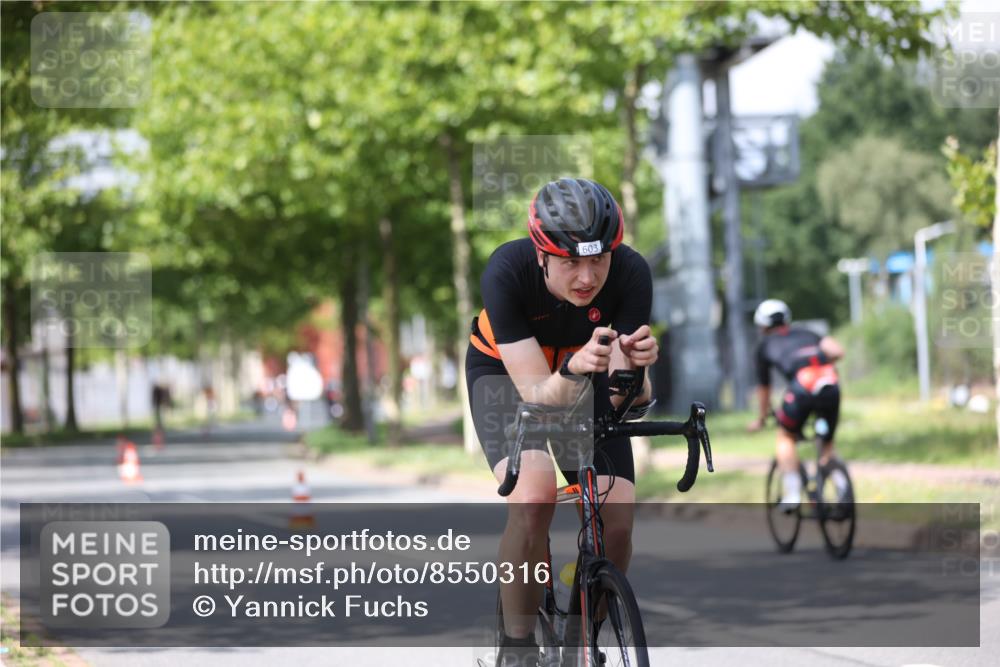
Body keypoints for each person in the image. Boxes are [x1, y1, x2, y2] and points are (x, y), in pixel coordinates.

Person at [466, 178, 658, 666]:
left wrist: (637, 374)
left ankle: (581, 633)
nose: (587, 277)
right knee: (533, 497)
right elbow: (538, 398)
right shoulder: (506, 273)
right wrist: (574, 368)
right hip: (509, 378)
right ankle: (516, 645)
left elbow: (623, 400)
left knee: (617, 513)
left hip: (582, 374)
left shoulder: (632, 272)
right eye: (571, 262)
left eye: (598, 260)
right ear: (542, 256)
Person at [746, 299, 846, 508]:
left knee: (786, 436)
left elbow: (764, 389)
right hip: (829, 383)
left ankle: (792, 494)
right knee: (827, 443)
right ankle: (842, 487)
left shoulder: (764, 346)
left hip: (802, 388)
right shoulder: (807, 333)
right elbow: (837, 351)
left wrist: (762, 418)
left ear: (763, 325)